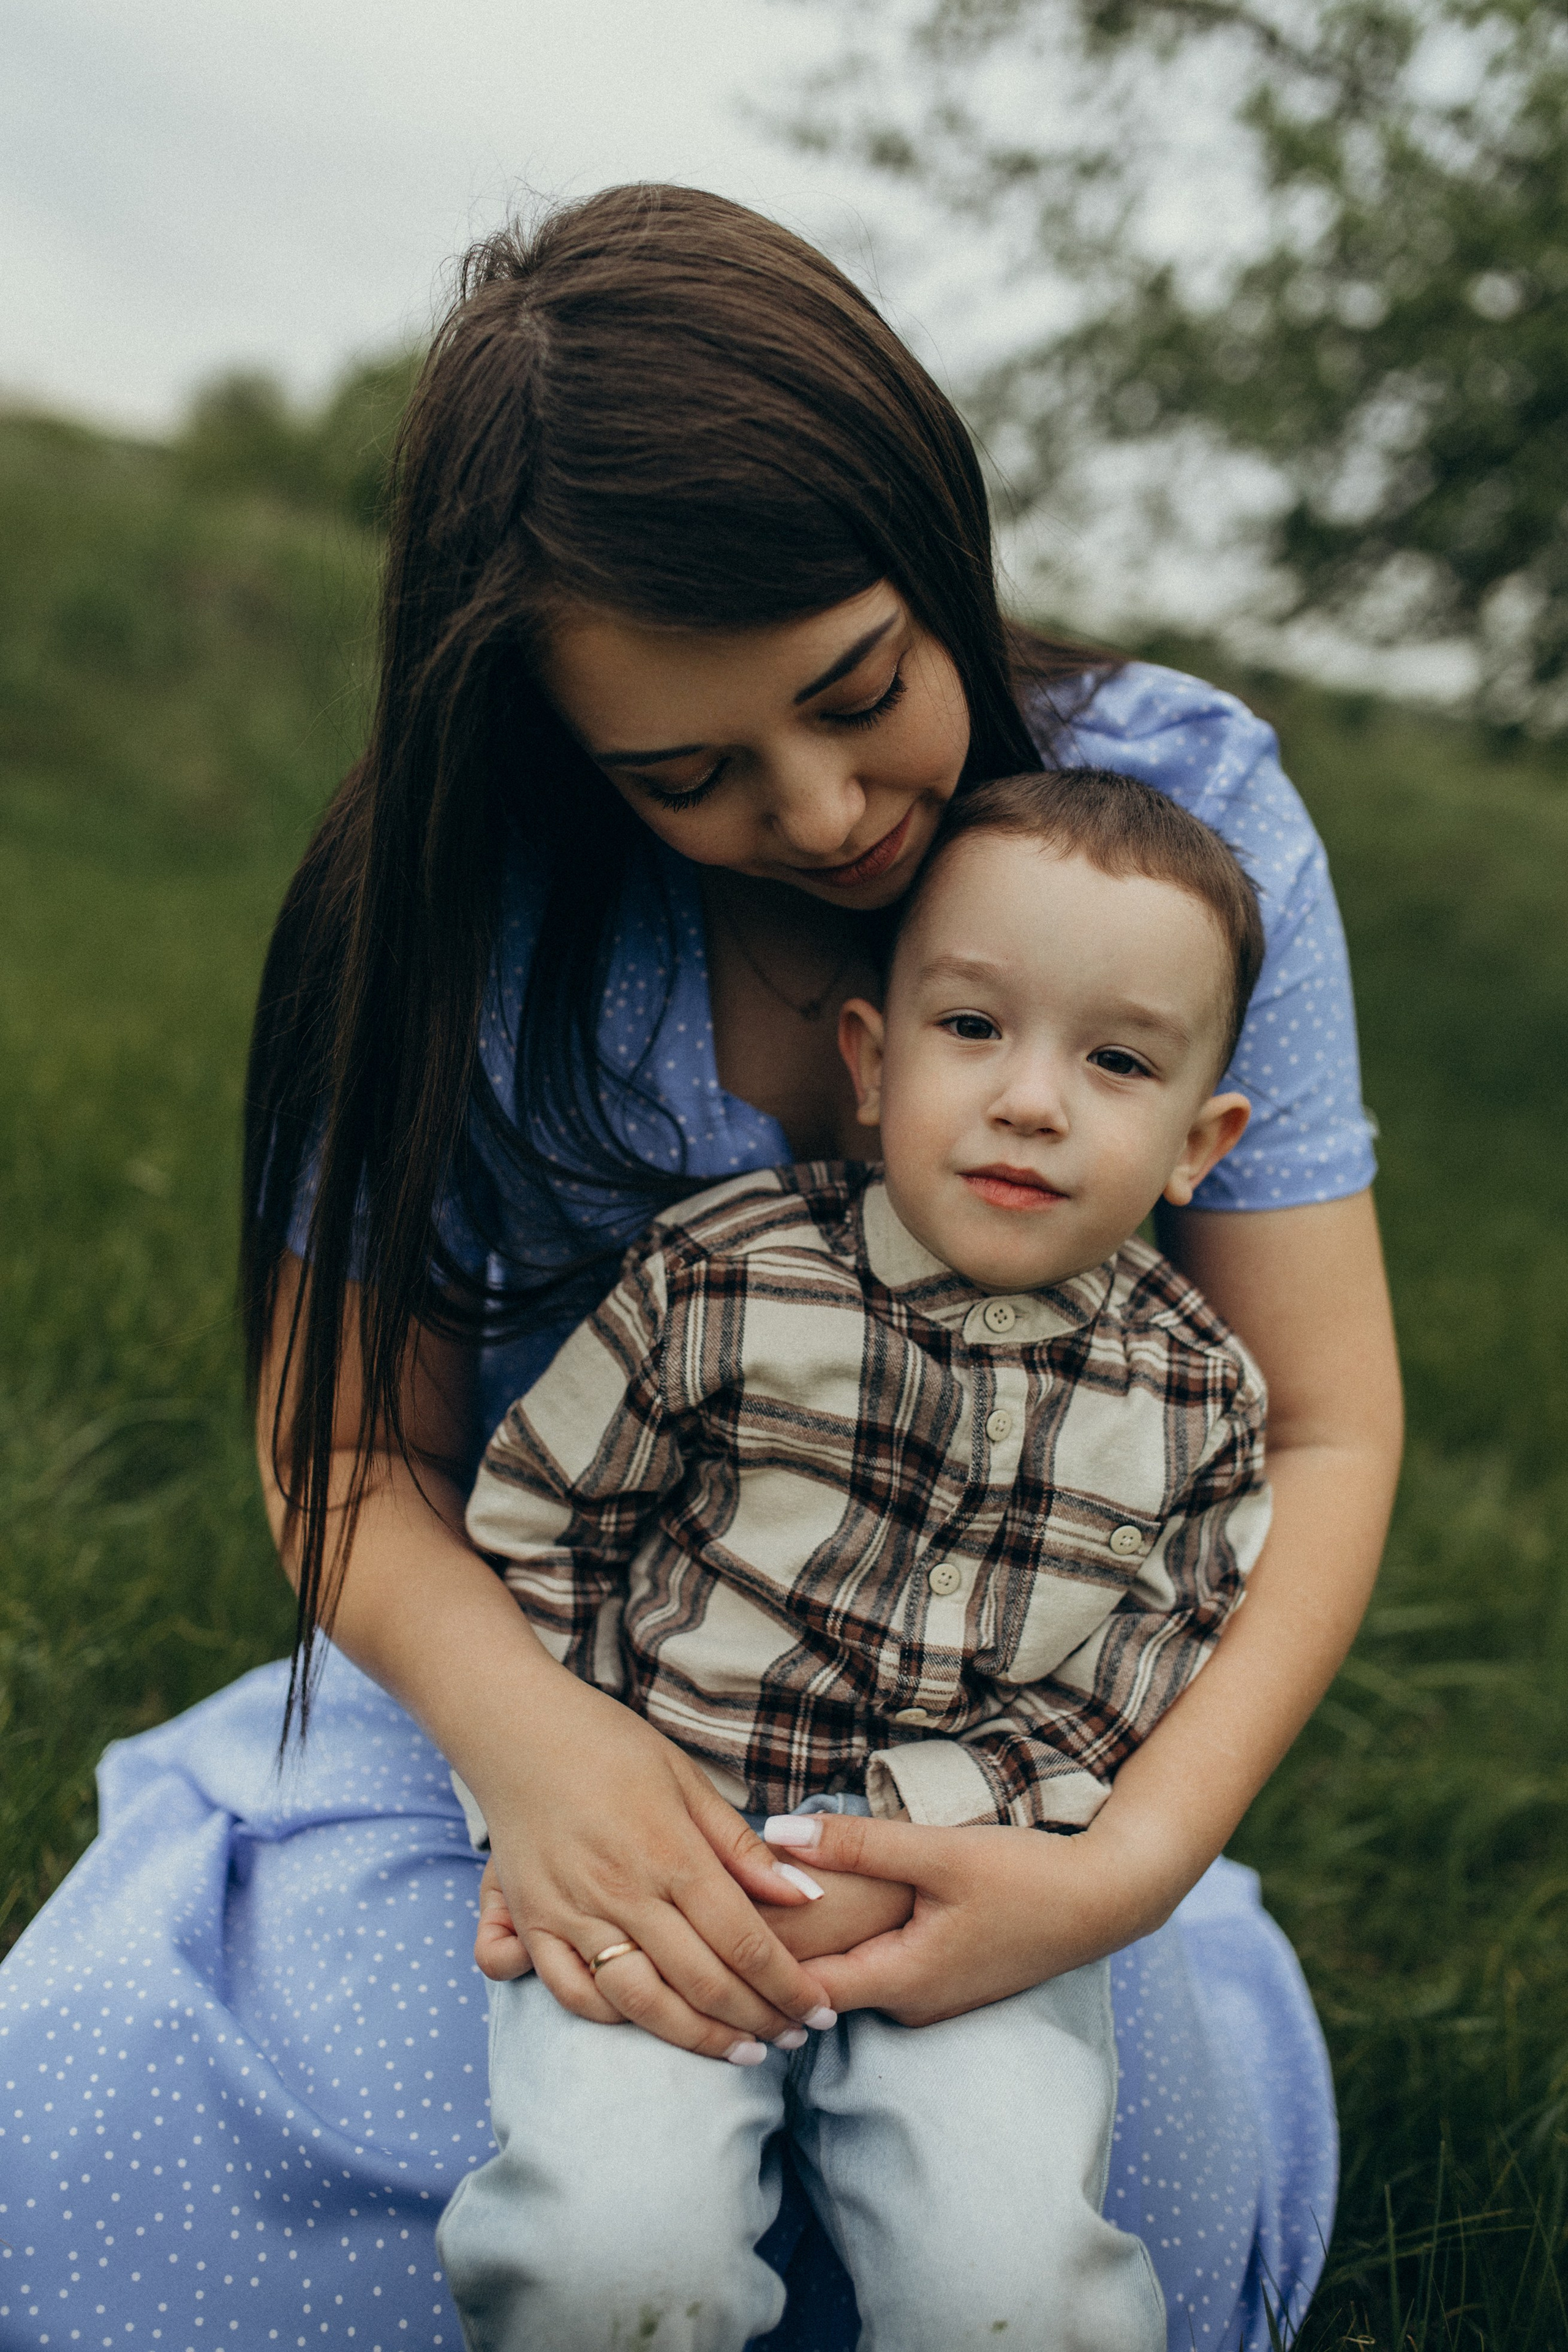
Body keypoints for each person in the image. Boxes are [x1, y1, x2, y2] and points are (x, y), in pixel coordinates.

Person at [0, 184, 1400, 2352]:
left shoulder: (1174, 820)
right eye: (691, 773)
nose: (831, 809)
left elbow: (1318, 1418)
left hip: (998, 1755)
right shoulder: (458, 924)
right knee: (314, 2159)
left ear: (938, 548)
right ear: (563, 750)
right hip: (561, 1671)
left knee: (1045, 2244)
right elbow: (348, 1439)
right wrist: (545, 1761)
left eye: (866, 692)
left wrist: (1116, 1875)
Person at [440, 766, 1270, 2349]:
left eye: (1115, 1060)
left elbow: (1143, 1679)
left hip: (984, 1892)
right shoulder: (726, 1277)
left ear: (1196, 1139)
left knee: (1009, 2288)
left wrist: (897, 1843)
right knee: (609, 2253)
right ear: (873, 1063)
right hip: (671, 1840)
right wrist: (550, 1786)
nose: (1033, 1099)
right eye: (974, 1030)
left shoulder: (1199, 1397)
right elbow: (545, 1522)